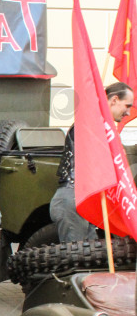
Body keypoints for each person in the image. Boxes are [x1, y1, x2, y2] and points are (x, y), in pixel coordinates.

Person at [50, 81, 134, 243]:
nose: (128, 112)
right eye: (127, 105)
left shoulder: (99, 126)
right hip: (74, 198)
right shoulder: (90, 124)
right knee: (76, 260)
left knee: (86, 259)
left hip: (81, 201)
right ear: (114, 99)